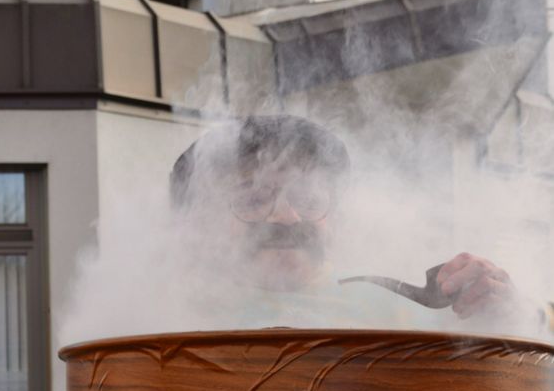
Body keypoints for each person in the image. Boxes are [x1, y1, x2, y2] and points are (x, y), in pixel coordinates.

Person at [170, 114, 541, 330]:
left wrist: (508, 310)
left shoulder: (395, 314)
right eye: (253, 199)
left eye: (308, 199)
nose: (287, 217)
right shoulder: (164, 321)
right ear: (199, 223)